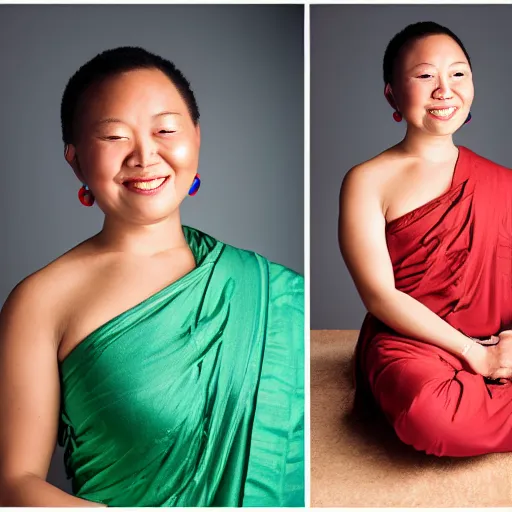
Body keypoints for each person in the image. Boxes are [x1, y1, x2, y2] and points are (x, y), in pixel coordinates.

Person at [0, 47, 304, 507]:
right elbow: (15, 484)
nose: (145, 155)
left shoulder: (275, 292)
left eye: (165, 129)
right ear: (76, 159)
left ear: (196, 139)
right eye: (114, 137)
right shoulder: (41, 301)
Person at [338, 22, 512, 458]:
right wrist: (474, 353)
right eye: (424, 76)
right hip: (412, 341)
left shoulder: (503, 183)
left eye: (457, 74)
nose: (444, 90)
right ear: (392, 93)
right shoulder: (366, 180)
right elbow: (379, 296)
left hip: (499, 336)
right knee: (428, 415)